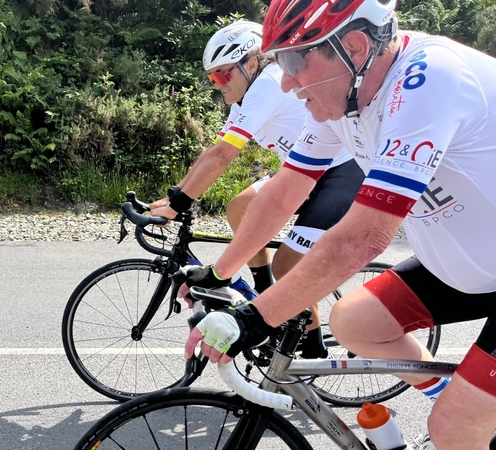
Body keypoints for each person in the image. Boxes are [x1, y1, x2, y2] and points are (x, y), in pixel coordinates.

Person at [181, 0, 496, 448]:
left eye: (293, 60)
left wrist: (254, 318)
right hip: (471, 269)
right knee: (355, 322)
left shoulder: (429, 80)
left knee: (454, 426)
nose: (286, 82)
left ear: (354, 45)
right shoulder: (345, 98)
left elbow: (361, 239)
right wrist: (219, 273)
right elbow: (281, 193)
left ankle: (471, 421)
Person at [150, 19, 365, 357]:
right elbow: (213, 150)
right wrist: (175, 196)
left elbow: (223, 156)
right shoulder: (244, 96)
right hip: (306, 171)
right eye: (212, 78)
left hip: (342, 172)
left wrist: (177, 205)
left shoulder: (266, 85)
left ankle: (310, 348)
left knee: (288, 265)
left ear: (250, 64)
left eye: (223, 75)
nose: (217, 84)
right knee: (239, 207)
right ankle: (265, 300)